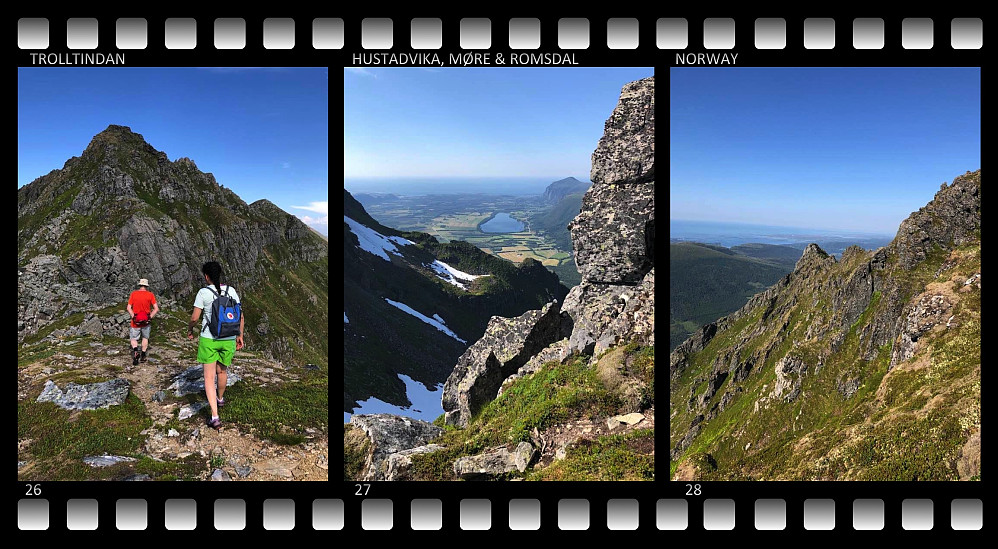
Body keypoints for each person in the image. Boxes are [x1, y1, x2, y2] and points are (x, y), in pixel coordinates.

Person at [188, 262, 244, 429]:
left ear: (206, 276)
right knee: (223, 371)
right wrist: (239, 335)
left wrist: (190, 329)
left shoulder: (203, 293)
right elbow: (240, 316)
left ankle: (214, 417)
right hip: (228, 338)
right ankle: (220, 399)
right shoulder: (231, 291)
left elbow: (195, 318)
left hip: (209, 339)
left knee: (208, 378)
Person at [127, 278, 159, 366]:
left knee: (134, 338)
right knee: (145, 337)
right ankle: (143, 355)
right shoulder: (150, 295)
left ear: (140, 285)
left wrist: (134, 317)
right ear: (146, 286)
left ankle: (136, 350)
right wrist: (150, 317)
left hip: (135, 321)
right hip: (146, 321)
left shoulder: (133, 294)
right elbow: (156, 309)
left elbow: (128, 308)